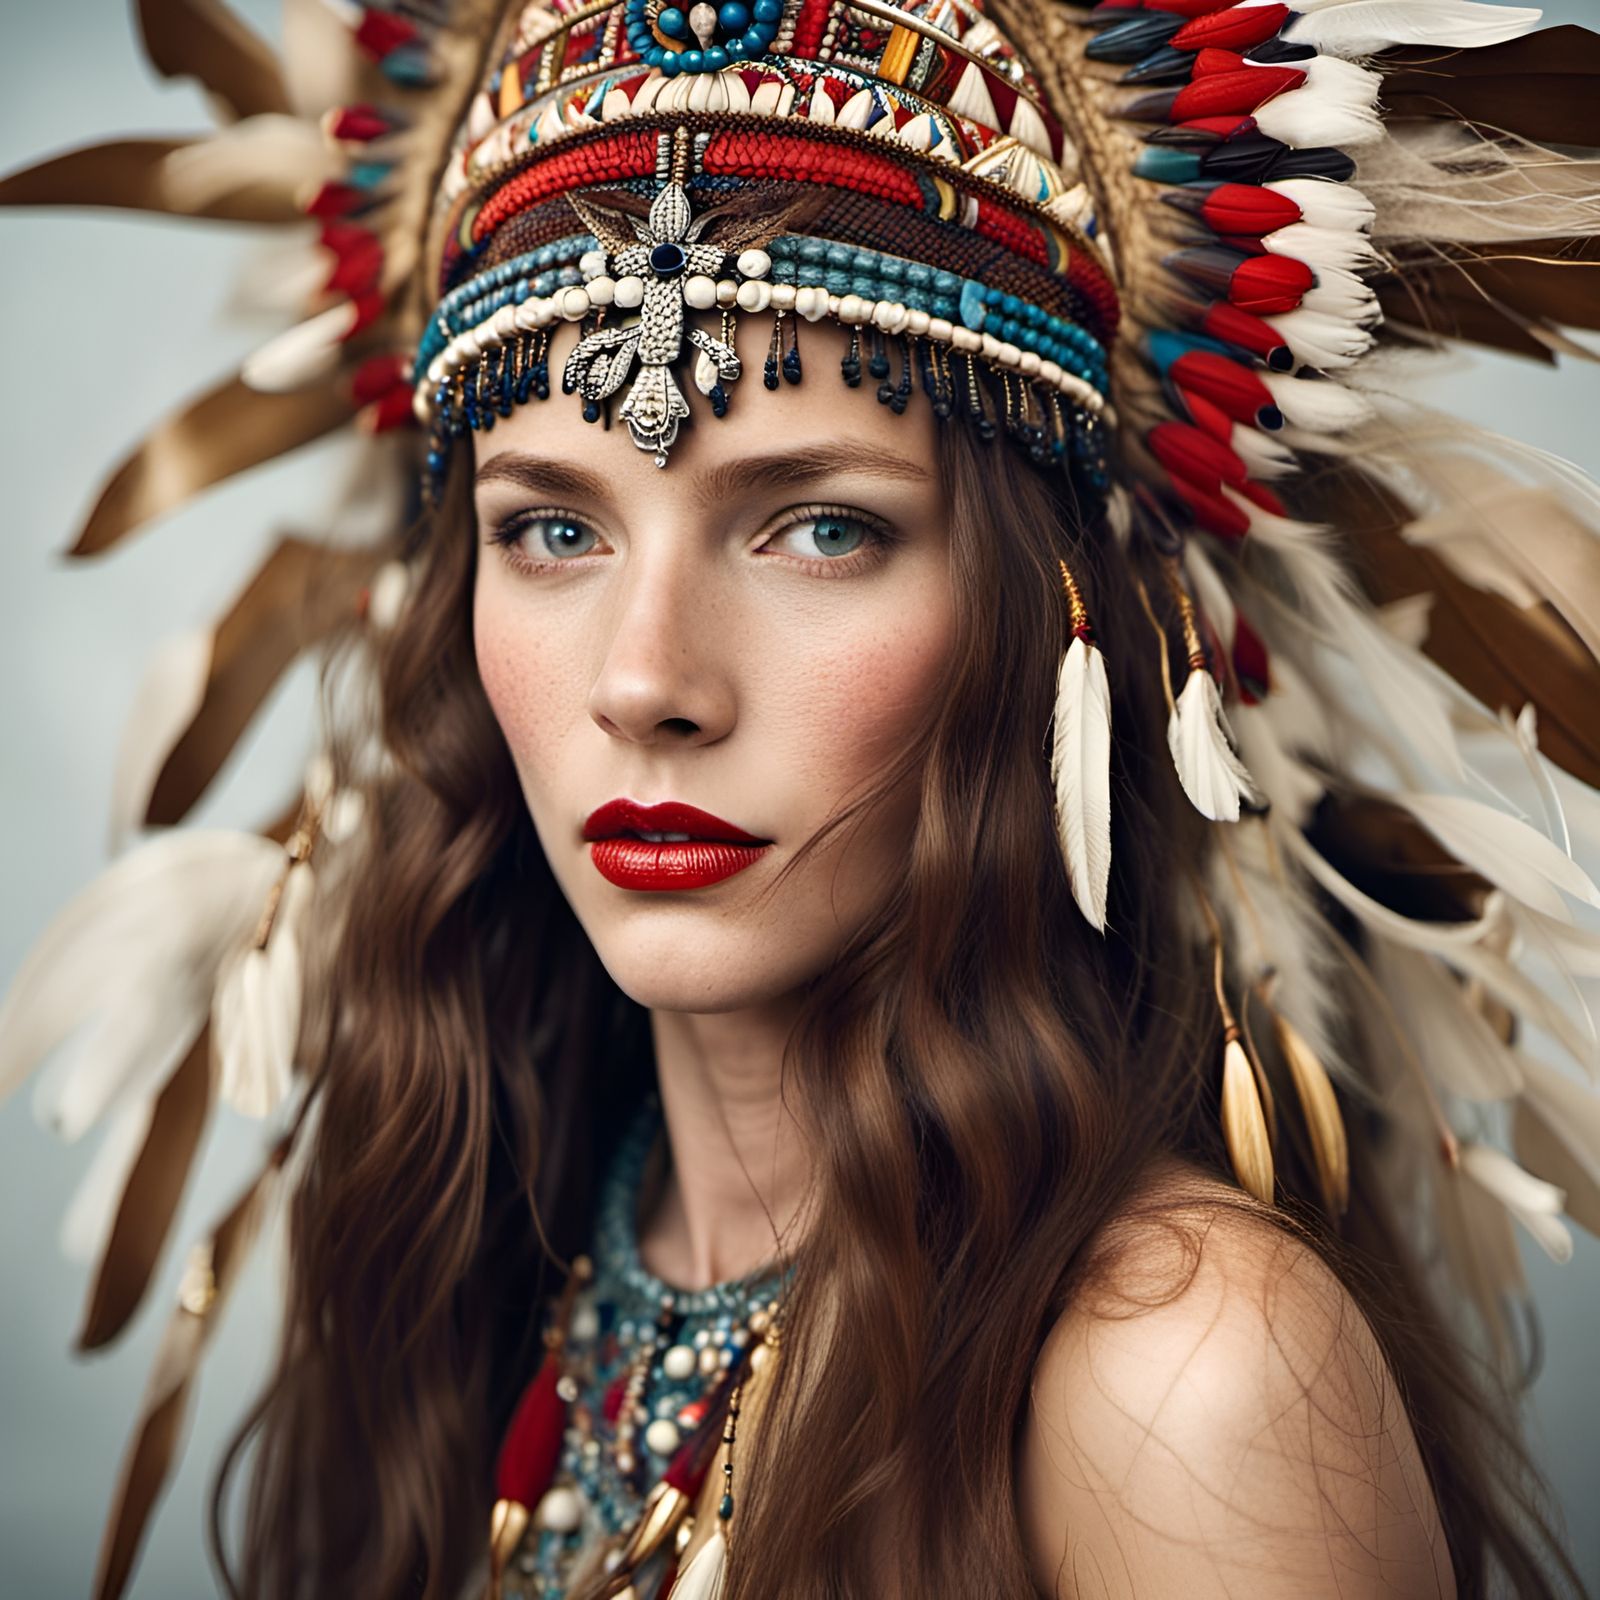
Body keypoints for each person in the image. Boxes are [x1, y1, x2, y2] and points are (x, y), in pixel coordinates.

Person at [0, 1, 1597, 1598]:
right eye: (555, 530)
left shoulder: (1184, 1378)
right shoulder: (483, 1260)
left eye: (820, 529)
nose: (648, 681)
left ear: (1055, 611)